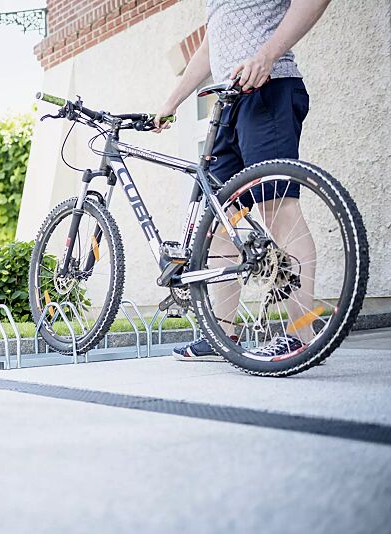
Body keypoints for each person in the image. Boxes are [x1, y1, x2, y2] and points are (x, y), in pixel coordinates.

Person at [151, 0, 332, 361]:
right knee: (219, 223)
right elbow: (209, 46)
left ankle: (302, 336)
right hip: (228, 102)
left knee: (277, 210)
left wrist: (266, 56)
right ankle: (224, 336)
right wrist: (171, 101)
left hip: (269, 88)